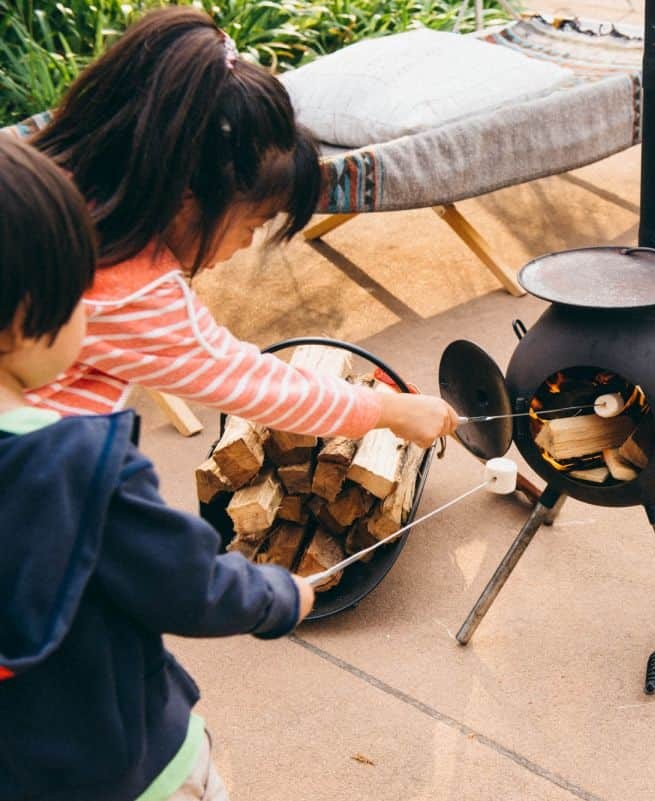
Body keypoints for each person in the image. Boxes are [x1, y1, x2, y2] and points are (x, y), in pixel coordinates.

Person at [0, 135, 315, 800]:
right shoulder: (82, 465)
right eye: (76, 295)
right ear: (19, 325)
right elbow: (189, 583)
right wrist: (282, 597)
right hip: (129, 767)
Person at [26, 6, 456, 448]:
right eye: (253, 224)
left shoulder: (32, 179)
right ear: (186, 198)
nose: (246, 243)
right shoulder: (134, 293)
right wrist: (392, 410)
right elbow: (250, 382)